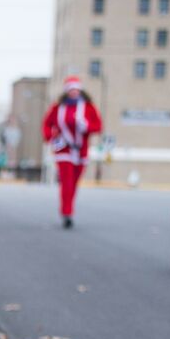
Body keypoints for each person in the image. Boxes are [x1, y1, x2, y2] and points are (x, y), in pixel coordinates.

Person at [42, 76, 103, 229]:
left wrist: (86, 126)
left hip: (81, 151)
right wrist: (51, 137)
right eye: (71, 89)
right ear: (66, 91)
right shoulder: (58, 108)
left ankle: (68, 209)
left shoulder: (88, 107)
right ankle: (67, 213)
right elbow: (47, 125)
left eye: (76, 89)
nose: (74, 92)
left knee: (74, 183)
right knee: (67, 182)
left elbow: (98, 126)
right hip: (63, 149)